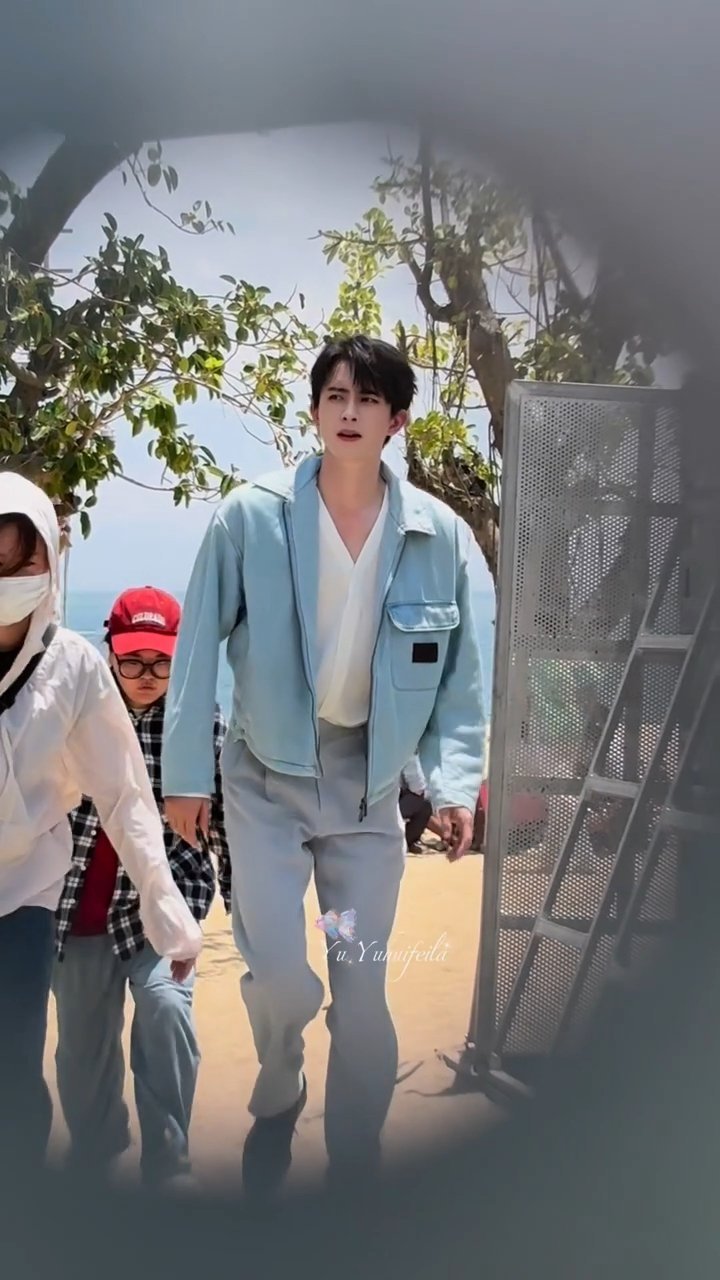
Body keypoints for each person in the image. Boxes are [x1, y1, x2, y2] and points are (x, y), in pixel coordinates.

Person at [161, 334, 485, 1193]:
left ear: (397, 420)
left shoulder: (439, 537)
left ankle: (354, 1160)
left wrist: (453, 788)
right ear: (314, 410)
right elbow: (195, 646)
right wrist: (185, 776)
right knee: (280, 973)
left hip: (366, 799)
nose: (349, 411)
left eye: (368, 398)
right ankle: (279, 1087)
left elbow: (460, 681)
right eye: (335, 395)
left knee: (360, 984)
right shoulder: (249, 517)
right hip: (265, 788)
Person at [0, 474, 202, 1179]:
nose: (9, 577)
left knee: (15, 1066)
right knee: (75, 1058)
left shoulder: (73, 667)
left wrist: (167, 906)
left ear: (50, 564)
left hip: (26, 898)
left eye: (23, 560)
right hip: (71, 923)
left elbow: (125, 796)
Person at [53, 587, 231, 1188]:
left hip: (162, 909)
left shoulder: (200, 728)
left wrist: (244, 908)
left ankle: (169, 1161)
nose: (147, 675)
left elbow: (226, 825)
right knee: (81, 1048)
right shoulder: (72, 714)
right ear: (109, 653)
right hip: (76, 909)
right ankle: (97, 1151)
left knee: (166, 1009)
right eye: (132, 661)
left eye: (161, 662)